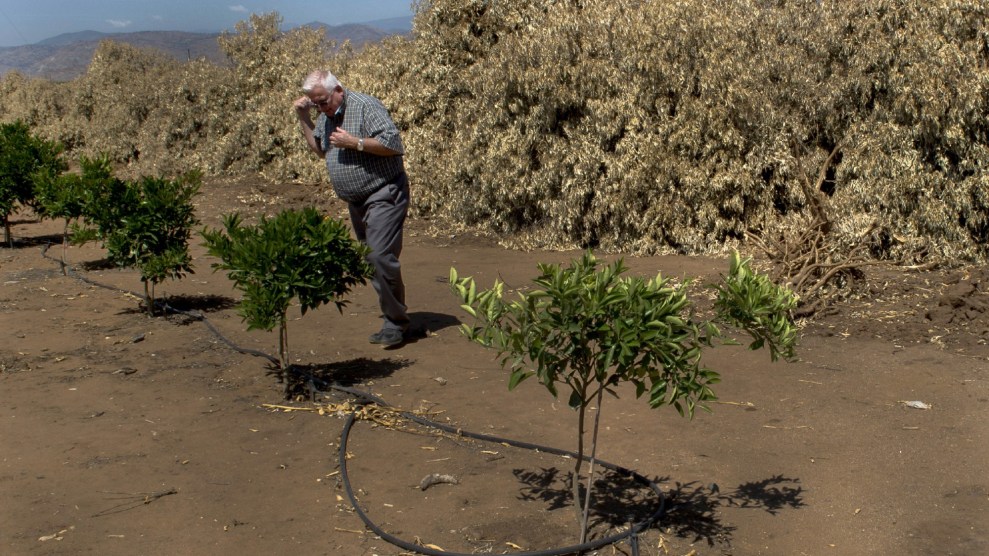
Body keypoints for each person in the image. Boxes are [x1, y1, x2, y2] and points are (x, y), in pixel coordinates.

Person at [294, 69, 411, 346]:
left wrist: (355, 143)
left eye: (324, 101)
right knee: (371, 259)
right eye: (316, 104)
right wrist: (304, 118)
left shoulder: (365, 106)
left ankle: (396, 323)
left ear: (339, 90)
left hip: (384, 191)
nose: (322, 107)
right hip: (356, 201)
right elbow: (321, 149)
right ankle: (393, 318)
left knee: (380, 255)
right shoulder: (327, 116)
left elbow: (393, 144)